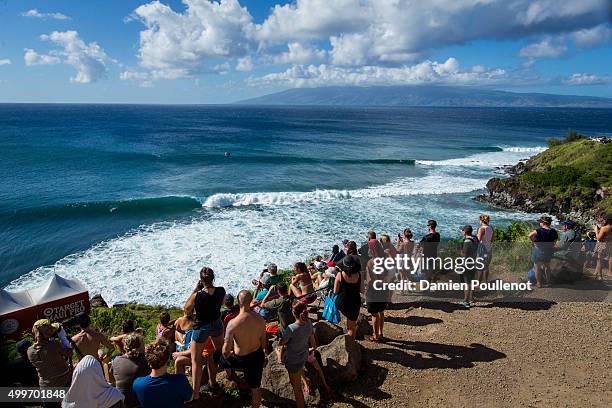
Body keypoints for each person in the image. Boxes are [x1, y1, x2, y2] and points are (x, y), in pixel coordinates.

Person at [217, 290, 266, 408]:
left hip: (240, 359)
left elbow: (225, 351)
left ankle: (229, 375)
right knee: (256, 388)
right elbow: (263, 344)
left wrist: (228, 355)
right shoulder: (260, 319)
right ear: (250, 302)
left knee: (216, 357)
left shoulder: (233, 324)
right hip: (257, 355)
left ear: (238, 302)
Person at [184, 267, 226, 399]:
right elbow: (223, 302)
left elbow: (186, 310)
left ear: (201, 280)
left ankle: (195, 393)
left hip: (201, 327)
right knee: (220, 352)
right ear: (213, 278)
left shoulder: (198, 295)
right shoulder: (221, 290)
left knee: (195, 360)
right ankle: (229, 373)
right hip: (216, 323)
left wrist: (195, 290)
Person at [278, 302, 320, 408]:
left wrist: (280, 354)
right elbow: (313, 343)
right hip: (304, 355)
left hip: (293, 361)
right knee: (300, 367)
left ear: (293, 313)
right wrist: (311, 349)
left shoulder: (291, 328)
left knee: (297, 390)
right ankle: (306, 381)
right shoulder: (309, 322)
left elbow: (281, 343)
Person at [133, 339, 192, 408]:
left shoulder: (137, 384)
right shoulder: (179, 380)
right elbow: (190, 398)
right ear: (168, 360)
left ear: (148, 361)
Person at [27, 319, 72, 388]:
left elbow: (47, 358)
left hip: (45, 386)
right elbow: (69, 353)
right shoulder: (54, 344)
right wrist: (63, 337)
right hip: (64, 382)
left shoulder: (30, 350)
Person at [111, 334, 151, 408]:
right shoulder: (145, 361)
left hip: (121, 403)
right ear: (140, 346)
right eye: (143, 343)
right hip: (138, 404)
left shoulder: (116, 360)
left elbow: (113, 376)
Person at [334, 241, 362, 338]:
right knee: (352, 327)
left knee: (348, 325)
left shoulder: (340, 275)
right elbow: (361, 289)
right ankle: (352, 344)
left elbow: (335, 291)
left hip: (343, 302)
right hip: (355, 302)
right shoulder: (359, 275)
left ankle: (348, 345)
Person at [365, 239, 391, 342]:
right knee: (381, 311)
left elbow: (371, 280)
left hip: (374, 290)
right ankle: (381, 333)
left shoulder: (371, 262)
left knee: (374, 314)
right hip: (384, 288)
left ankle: (375, 336)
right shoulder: (385, 258)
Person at [528, 216, 558, 287]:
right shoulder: (553, 231)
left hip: (538, 250)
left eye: (540, 222)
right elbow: (555, 240)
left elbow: (529, 235)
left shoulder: (539, 230)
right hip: (549, 251)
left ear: (544, 223)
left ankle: (539, 283)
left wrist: (534, 242)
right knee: (547, 266)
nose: (539, 223)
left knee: (537, 267)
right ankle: (548, 282)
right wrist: (551, 245)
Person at [459, 225, 479, 308]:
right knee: (471, 281)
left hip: (467, 264)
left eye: (462, 230)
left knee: (466, 283)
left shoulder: (467, 241)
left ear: (465, 232)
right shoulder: (475, 238)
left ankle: (466, 301)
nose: (461, 232)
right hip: (473, 262)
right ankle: (471, 298)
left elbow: (464, 254)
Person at [476, 215, 494, 283]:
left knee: (480, 267)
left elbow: (478, 240)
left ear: (482, 220)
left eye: (479, 220)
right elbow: (491, 240)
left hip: (482, 249)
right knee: (486, 266)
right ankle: (486, 281)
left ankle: (479, 283)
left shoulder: (481, 229)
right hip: (489, 248)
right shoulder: (491, 228)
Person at [594, 214, 612, 280]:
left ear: (607, 220)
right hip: (610, 244)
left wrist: (596, 231)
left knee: (600, 260)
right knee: (610, 258)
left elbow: (599, 238)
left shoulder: (604, 228)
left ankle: (600, 276)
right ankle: (609, 273)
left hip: (603, 245)